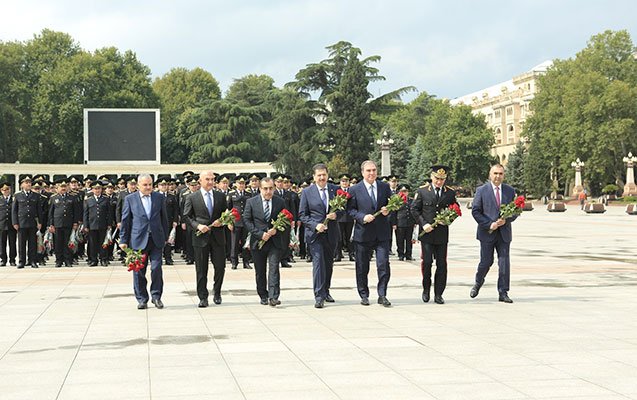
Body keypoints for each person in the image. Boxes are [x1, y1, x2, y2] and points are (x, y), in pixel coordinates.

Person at [346, 160, 393, 307]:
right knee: (362, 266)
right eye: (368, 171)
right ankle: (364, 294)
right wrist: (362, 217)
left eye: (374, 170)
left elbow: (392, 204)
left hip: (382, 233)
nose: (372, 173)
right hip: (363, 233)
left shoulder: (384, 187)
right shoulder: (354, 189)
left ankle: (382, 294)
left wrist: (388, 210)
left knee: (383, 264)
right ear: (362, 172)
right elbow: (350, 210)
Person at [470, 164, 519, 303]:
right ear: (490, 174)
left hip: (504, 233)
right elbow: (475, 211)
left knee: (504, 262)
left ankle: (503, 292)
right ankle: (478, 283)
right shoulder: (481, 190)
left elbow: (515, 211)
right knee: (486, 262)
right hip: (487, 233)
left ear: (504, 175)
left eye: (501, 174)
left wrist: (507, 219)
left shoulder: (509, 191)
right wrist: (489, 224)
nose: (498, 176)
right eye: (495, 173)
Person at [120, 174, 169, 310]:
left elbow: (164, 218)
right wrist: (123, 240)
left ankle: (156, 296)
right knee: (139, 271)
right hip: (138, 240)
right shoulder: (130, 199)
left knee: (156, 268)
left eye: (150, 185)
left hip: (156, 239)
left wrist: (165, 236)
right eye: (145, 185)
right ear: (138, 185)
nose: (148, 187)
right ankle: (142, 299)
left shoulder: (159, 198)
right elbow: (125, 221)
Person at [411, 166, 457, 304]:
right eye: (437, 178)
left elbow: (455, 210)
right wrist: (423, 224)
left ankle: (439, 293)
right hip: (427, 235)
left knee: (442, 264)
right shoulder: (423, 191)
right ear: (432, 177)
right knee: (427, 263)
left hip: (442, 234)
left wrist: (448, 220)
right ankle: (426, 289)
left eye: (442, 179)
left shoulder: (449, 193)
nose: (439, 182)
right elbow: (414, 209)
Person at [182, 171, 229, 308]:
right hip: (200, 237)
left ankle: (217, 292)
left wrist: (223, 221)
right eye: (207, 179)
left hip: (218, 236)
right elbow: (186, 216)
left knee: (220, 267)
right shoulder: (192, 197)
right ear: (200, 181)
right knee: (201, 269)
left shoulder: (220, 196)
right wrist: (198, 226)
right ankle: (203, 296)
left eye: (212, 179)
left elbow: (226, 214)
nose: (210, 182)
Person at [299, 163, 342, 308]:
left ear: (327, 175)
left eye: (324, 175)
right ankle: (318, 295)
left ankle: (325, 290)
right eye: (319, 175)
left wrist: (336, 215)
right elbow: (302, 215)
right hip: (315, 234)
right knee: (318, 264)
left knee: (329, 263)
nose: (322, 178)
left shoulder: (335, 190)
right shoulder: (307, 192)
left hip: (331, 233)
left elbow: (344, 209)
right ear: (314, 177)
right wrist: (315, 225)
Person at [243, 177, 288, 307]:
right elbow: (247, 221)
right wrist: (260, 234)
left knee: (274, 268)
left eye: (270, 188)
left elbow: (285, 220)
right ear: (260, 189)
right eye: (265, 189)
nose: (268, 191)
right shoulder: (251, 202)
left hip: (275, 241)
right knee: (260, 270)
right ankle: (263, 294)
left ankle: (274, 296)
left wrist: (276, 230)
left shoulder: (280, 202)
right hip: (258, 241)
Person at [12, 175, 44, 269]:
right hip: (21, 223)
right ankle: (22, 261)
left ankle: (32, 261)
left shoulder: (36, 195)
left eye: (29, 182)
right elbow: (14, 210)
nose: (28, 184)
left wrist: (40, 222)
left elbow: (39, 211)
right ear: (22, 184)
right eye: (26, 182)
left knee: (32, 243)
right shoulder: (17, 196)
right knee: (21, 243)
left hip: (32, 222)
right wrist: (15, 222)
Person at [48, 179, 79, 268]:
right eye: (61, 187)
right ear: (57, 188)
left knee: (68, 243)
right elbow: (51, 212)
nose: (63, 188)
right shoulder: (54, 198)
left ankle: (68, 260)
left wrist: (75, 223)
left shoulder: (72, 197)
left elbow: (75, 211)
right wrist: (51, 224)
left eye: (65, 187)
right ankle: (59, 260)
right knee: (58, 243)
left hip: (68, 223)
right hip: (57, 224)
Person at [83, 181, 112, 266]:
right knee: (92, 244)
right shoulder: (88, 200)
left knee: (103, 243)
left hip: (103, 224)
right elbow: (85, 214)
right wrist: (85, 225)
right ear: (92, 190)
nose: (97, 190)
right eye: (95, 189)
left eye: (99, 188)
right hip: (92, 225)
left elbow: (109, 213)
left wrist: (109, 224)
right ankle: (93, 259)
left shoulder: (106, 199)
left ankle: (103, 259)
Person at [227, 175, 252, 270]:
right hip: (235, 221)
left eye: (243, 183)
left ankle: (246, 261)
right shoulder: (231, 194)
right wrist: (229, 222)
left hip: (246, 221)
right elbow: (228, 209)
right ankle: (234, 262)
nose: (241, 185)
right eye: (240, 183)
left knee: (246, 242)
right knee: (234, 243)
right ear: (236, 184)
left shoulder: (248, 194)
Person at [391, 184, 416, 262]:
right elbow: (393, 213)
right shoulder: (397, 201)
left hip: (409, 223)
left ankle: (408, 255)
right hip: (400, 223)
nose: (404, 193)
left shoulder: (411, 200)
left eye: (406, 191)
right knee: (400, 240)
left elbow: (414, 212)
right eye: (402, 191)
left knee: (409, 240)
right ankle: (401, 255)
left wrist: (415, 222)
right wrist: (394, 223)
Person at [335, 174, 355, 262]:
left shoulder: (352, 191)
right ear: (340, 182)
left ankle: (352, 254)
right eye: (343, 181)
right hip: (339, 218)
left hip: (349, 217)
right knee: (339, 237)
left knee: (349, 237)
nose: (344, 183)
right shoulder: (336, 191)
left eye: (346, 181)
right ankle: (338, 254)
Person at [1, 182, 17, 267]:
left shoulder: (14, 200)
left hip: (11, 225)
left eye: (7, 189)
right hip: (2, 225)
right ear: (1, 190)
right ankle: (3, 259)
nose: (6, 191)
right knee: (2, 243)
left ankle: (12, 260)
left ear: (10, 190)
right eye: (4, 189)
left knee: (12, 243)